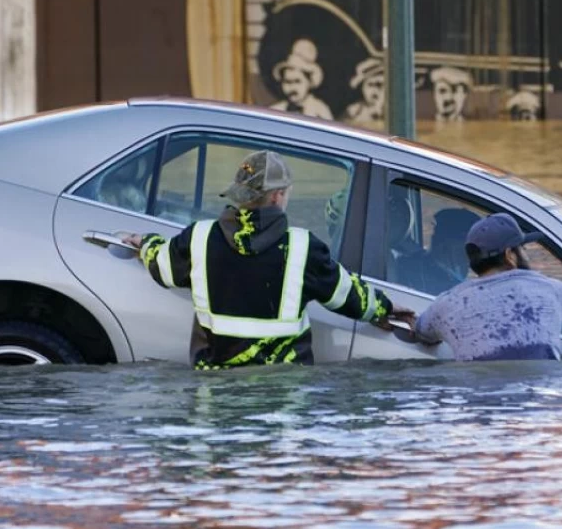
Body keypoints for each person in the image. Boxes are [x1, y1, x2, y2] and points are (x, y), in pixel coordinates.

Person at [123, 150, 409, 369]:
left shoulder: (199, 238)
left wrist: (146, 243)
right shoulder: (303, 247)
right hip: (283, 400)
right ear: (277, 196)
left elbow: (162, 266)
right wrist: (386, 309)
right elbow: (350, 297)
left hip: (215, 396)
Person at [408, 213, 562, 361]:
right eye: (523, 248)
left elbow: (422, 332)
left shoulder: (447, 304)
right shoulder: (549, 290)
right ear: (510, 255)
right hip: (537, 408)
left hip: (479, 414)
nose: (525, 253)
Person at [394, 208, 482, 294]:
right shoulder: (411, 270)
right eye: (469, 247)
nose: (470, 258)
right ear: (446, 244)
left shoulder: (456, 280)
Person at [270, 39, 333, 120]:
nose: (292, 87)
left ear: (309, 82)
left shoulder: (320, 112)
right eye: (287, 82)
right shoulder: (275, 111)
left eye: (297, 81)